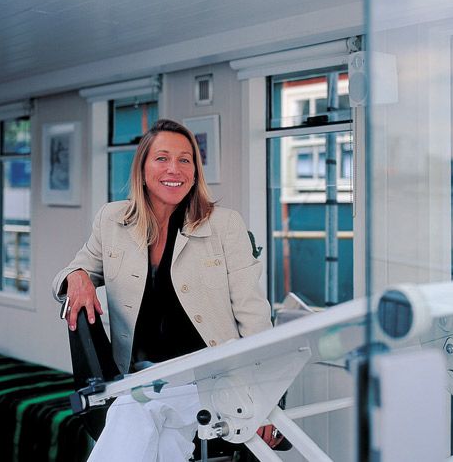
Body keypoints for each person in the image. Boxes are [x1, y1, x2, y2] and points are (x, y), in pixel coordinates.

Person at [52, 118, 283, 455]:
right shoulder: (112, 220)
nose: (174, 169)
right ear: (143, 168)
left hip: (208, 379)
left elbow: (254, 317)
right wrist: (77, 277)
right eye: (162, 158)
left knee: (132, 411)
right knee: (156, 432)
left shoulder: (224, 225)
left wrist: (264, 400)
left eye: (184, 159)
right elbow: (75, 268)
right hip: (142, 378)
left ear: (195, 171)